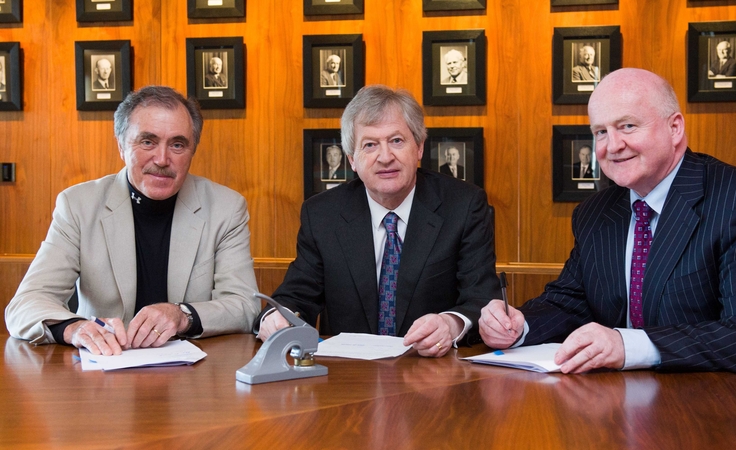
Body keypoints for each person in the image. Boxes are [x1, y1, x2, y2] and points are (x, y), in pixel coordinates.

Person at [479, 68, 736, 393]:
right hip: (627, 400)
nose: (612, 145)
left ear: (675, 127)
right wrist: (518, 324)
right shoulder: (595, 212)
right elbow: (570, 301)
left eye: (627, 126)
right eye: (600, 132)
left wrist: (626, 346)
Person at [5, 86, 261, 356]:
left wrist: (182, 315)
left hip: (193, 376)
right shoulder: (78, 205)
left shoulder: (226, 208)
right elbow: (26, 303)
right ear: (121, 145)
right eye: (148, 142)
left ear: (192, 150)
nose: (162, 160)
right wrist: (75, 329)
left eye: (177, 144)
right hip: (102, 373)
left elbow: (245, 305)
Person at [255, 85, 500, 357]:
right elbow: (296, 295)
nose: (385, 157)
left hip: (433, 372)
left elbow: (482, 298)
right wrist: (274, 321)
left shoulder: (463, 206)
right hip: (348, 376)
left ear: (419, 147)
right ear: (352, 160)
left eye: (396, 141)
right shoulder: (323, 214)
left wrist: (451, 323)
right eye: (370, 145)